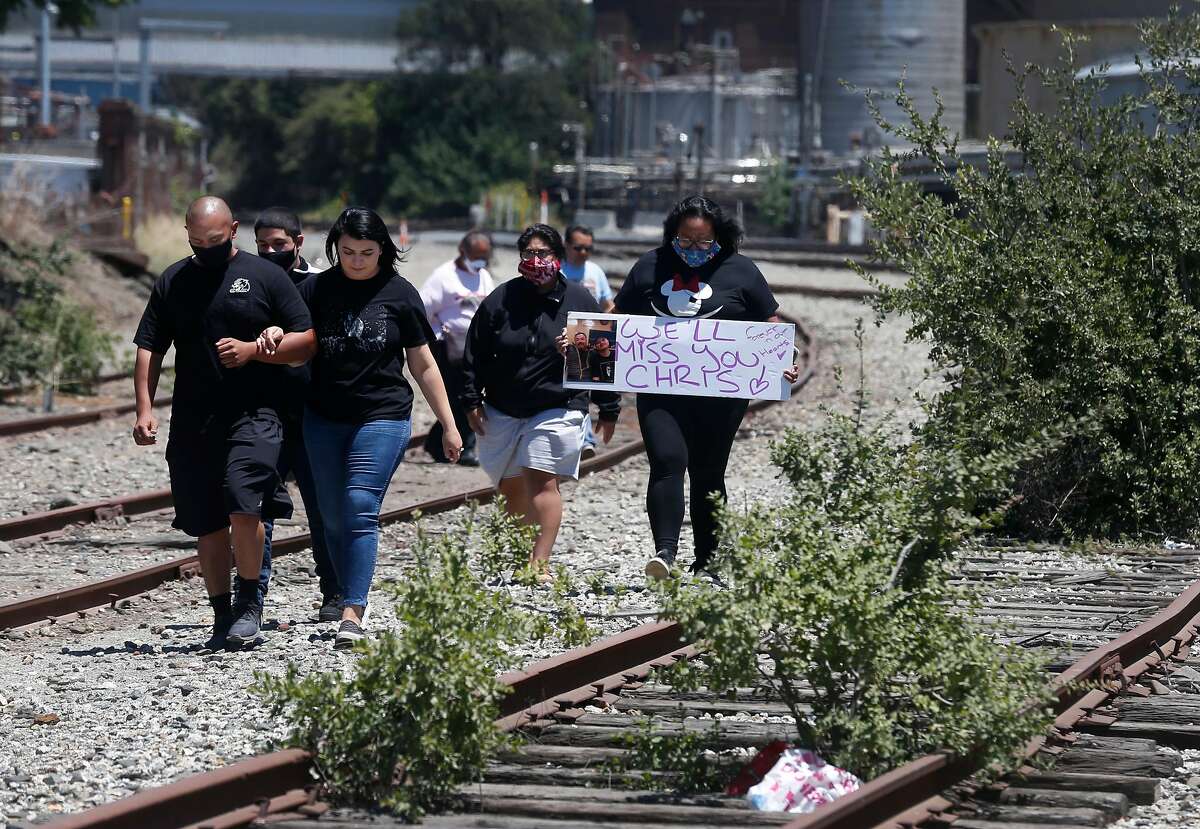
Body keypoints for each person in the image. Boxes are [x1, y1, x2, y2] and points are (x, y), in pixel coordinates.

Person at [131, 196, 315, 649]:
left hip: (256, 413)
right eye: (196, 242)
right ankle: (221, 613)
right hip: (194, 420)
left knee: (243, 502)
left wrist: (255, 351)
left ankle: (250, 604)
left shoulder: (265, 276)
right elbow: (150, 347)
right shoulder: (174, 280)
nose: (205, 248)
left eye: (214, 240)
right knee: (207, 522)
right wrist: (144, 409)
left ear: (233, 231)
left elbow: (307, 341)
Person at [275, 207, 463, 649]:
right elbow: (293, 337)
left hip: (383, 415)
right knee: (331, 516)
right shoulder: (315, 290)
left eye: (366, 252)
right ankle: (345, 588)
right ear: (335, 249)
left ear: (383, 250)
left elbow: (423, 363)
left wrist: (448, 423)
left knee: (359, 504)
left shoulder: (400, 294)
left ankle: (352, 611)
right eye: (347, 252)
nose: (357, 261)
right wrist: (271, 334)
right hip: (324, 417)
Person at [611, 195, 798, 580]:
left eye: (703, 242)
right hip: (661, 388)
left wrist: (783, 358)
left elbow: (770, 322)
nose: (693, 249)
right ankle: (665, 553)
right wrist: (580, 340)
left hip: (722, 394)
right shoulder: (650, 266)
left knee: (708, 471)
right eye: (685, 241)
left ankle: (707, 563)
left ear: (719, 237)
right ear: (672, 235)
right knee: (666, 462)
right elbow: (616, 317)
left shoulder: (741, 270)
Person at [462, 224, 620, 576]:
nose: (536, 261)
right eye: (529, 254)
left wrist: (608, 408)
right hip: (503, 406)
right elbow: (475, 352)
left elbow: (601, 360)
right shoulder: (501, 299)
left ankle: (540, 564)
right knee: (510, 487)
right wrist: (471, 400)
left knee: (541, 479)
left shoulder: (580, 301)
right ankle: (522, 555)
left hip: (557, 405)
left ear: (558, 257)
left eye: (543, 253)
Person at [252, 207, 340, 622]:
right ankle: (251, 597)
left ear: (298, 243)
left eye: (279, 245)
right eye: (263, 245)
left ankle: (335, 592)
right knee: (258, 509)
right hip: (263, 411)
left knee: (322, 509)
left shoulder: (319, 286)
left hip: (312, 412)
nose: (271, 252)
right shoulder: (249, 283)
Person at [418, 231, 495, 466]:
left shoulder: (484, 276)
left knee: (469, 396)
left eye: (484, 257)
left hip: (475, 347)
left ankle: (442, 443)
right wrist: (436, 334)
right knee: (458, 399)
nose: (480, 261)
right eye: (476, 256)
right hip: (447, 348)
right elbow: (421, 310)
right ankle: (459, 447)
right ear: (463, 251)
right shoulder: (443, 277)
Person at [561, 225, 614, 458]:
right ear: (566, 246)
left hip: (590, 338)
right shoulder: (559, 270)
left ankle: (585, 439)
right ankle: (582, 439)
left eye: (588, 248)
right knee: (571, 390)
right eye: (578, 248)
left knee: (586, 387)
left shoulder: (595, 272)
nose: (583, 252)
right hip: (564, 338)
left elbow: (608, 304)